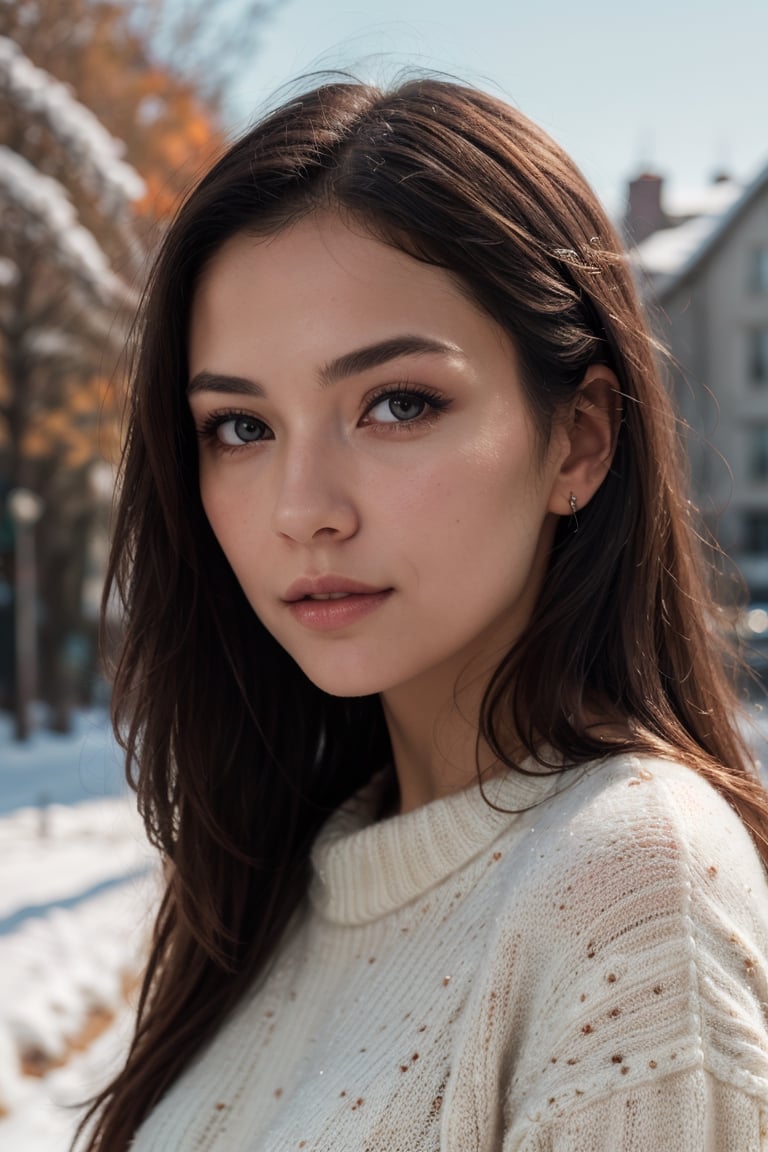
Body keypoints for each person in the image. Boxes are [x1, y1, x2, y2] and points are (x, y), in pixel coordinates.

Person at [76, 77, 768, 1151]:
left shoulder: (630, 892)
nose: (303, 509)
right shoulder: (291, 882)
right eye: (241, 426)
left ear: (579, 440)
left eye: (398, 404)